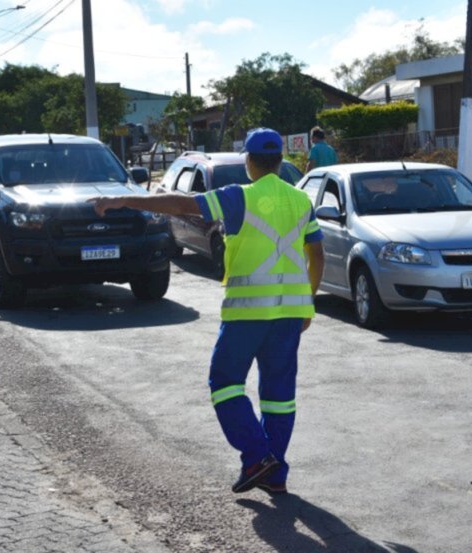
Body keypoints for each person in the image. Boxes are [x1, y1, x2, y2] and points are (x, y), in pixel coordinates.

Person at [90, 128, 325, 495]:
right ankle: (274, 473)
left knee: (225, 383)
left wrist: (124, 200)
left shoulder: (238, 197)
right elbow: (317, 255)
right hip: (291, 315)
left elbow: (181, 205)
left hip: (248, 314)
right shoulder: (301, 201)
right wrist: (307, 302)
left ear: (249, 161)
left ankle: (257, 455)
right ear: (280, 161)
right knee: (279, 394)